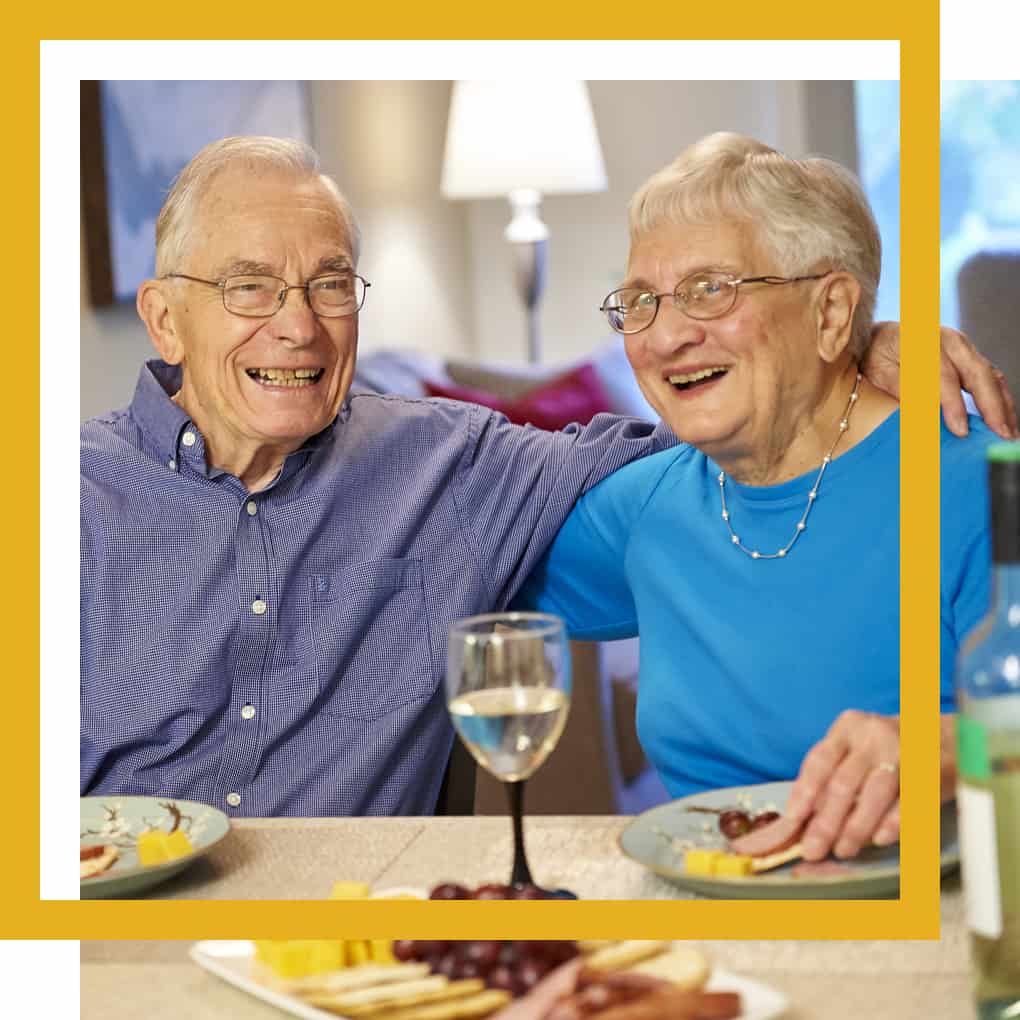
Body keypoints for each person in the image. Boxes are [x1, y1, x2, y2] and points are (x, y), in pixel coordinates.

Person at [81, 135, 1006, 819]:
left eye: (329, 284)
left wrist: (856, 345)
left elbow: (775, 446)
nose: (297, 327)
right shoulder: (64, 503)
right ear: (164, 321)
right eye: (641, 301)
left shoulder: (972, 483)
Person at [515, 132, 997, 861]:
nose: (667, 334)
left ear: (832, 313)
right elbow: (427, 577)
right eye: (642, 300)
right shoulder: (642, 508)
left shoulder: (974, 485)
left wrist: (961, 744)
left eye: (710, 289)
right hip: (712, 925)